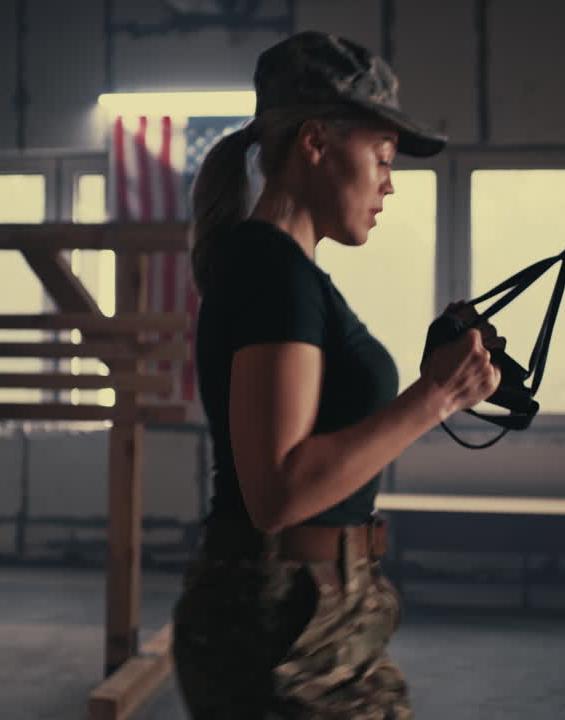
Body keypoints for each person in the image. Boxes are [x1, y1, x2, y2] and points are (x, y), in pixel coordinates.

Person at [170, 31, 504, 718]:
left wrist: (443, 384)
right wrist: (436, 395)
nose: (389, 181)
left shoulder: (284, 273)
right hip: (284, 619)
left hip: (310, 605)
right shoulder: (271, 273)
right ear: (315, 144)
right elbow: (279, 491)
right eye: (380, 156)